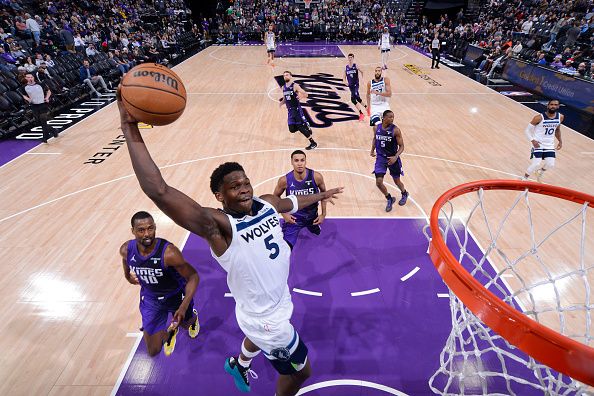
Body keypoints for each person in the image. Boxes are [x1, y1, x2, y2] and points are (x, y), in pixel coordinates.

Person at [117, 90, 343, 396]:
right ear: (219, 197)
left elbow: (294, 201)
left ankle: (240, 364)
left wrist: (321, 195)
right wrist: (129, 126)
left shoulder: (265, 203)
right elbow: (159, 190)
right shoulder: (218, 226)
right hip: (266, 321)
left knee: (257, 340)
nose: (244, 189)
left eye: (246, 182)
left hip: (270, 305)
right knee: (302, 371)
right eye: (234, 187)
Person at [120, 211, 200, 357]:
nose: (147, 234)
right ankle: (169, 333)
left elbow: (193, 277)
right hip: (150, 299)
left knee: (186, 324)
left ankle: (193, 319)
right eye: (141, 230)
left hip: (175, 296)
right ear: (133, 231)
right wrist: (127, 276)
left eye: (150, 228)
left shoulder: (169, 253)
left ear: (155, 227)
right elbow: (126, 259)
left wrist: (183, 307)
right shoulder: (126, 249)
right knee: (153, 350)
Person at [273, 150, 327, 249]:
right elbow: (275, 198)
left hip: (312, 217)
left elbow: (324, 195)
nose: (299, 164)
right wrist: (284, 215)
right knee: (287, 248)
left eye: (302, 160)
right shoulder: (284, 180)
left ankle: (313, 227)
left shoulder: (316, 177)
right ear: (291, 162)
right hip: (294, 220)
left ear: (305, 161)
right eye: (296, 160)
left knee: (316, 232)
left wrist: (323, 214)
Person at [370, 110, 409, 211]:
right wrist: (372, 150)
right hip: (380, 158)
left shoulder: (396, 130)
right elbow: (375, 139)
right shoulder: (376, 128)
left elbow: (402, 146)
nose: (392, 119)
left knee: (397, 181)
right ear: (384, 117)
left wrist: (395, 156)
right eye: (390, 117)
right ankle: (389, 198)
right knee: (378, 182)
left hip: (392, 158)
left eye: (393, 117)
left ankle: (404, 193)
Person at [522, 99, 563, 182]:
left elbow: (557, 129)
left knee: (550, 164)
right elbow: (527, 131)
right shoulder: (539, 117)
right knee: (536, 163)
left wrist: (560, 141)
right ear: (548, 106)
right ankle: (524, 178)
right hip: (538, 143)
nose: (553, 106)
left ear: (558, 106)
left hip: (549, 144)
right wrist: (533, 140)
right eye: (551, 104)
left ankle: (540, 171)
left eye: (555, 105)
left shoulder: (560, 117)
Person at [280, 71, 318, 151]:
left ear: (291, 76)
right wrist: (281, 103)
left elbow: (306, 94)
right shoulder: (283, 87)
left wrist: (301, 96)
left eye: (287, 75)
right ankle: (306, 126)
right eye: (284, 75)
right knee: (292, 129)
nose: (285, 76)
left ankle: (313, 143)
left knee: (299, 127)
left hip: (296, 109)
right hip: (290, 111)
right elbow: (285, 98)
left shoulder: (295, 86)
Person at [21, 73, 55, 143]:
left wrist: (47, 98)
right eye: (28, 77)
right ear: (26, 78)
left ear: (33, 77)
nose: (30, 78)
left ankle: (45, 137)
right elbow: (23, 95)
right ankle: (53, 130)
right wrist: (28, 99)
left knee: (43, 119)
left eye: (31, 77)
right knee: (39, 122)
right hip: (34, 105)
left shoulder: (40, 84)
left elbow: (49, 91)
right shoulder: (24, 87)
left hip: (43, 104)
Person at [366, 66, 392, 130]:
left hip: (384, 104)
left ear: (381, 72)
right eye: (376, 71)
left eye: (379, 71)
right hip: (374, 106)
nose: (377, 72)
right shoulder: (370, 83)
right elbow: (367, 95)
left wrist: (378, 93)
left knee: (388, 125)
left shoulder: (385, 80)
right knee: (377, 125)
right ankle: (376, 138)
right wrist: (368, 106)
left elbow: (389, 94)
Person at [344, 53, 368, 121]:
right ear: (348, 58)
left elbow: (362, 72)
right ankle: (366, 108)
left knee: (353, 98)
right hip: (350, 86)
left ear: (353, 58)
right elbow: (343, 77)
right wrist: (344, 82)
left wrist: (363, 80)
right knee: (357, 99)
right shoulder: (346, 67)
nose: (350, 59)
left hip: (356, 85)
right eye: (349, 58)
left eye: (351, 58)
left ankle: (361, 114)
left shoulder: (356, 65)